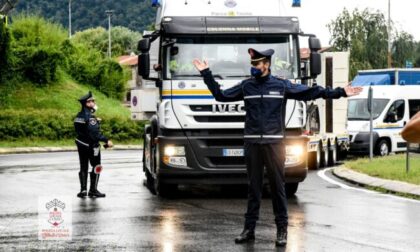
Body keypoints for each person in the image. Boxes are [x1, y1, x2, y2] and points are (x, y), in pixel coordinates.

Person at [192, 48, 363, 246]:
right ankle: (249, 230)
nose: (254, 67)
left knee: (278, 188)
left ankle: (282, 231)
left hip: (274, 144)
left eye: (257, 64)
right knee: (253, 189)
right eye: (253, 64)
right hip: (252, 144)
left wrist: (341, 92)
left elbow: (310, 92)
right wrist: (206, 73)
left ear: (267, 64)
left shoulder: (281, 86)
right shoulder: (247, 86)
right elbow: (220, 95)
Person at [74, 91, 113, 198]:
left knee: (83, 166)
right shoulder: (91, 119)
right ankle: (93, 190)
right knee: (97, 166)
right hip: (91, 146)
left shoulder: (78, 116)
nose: (94, 102)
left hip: (81, 144)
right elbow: (94, 134)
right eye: (92, 101)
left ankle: (83, 190)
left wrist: (95, 120)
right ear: (87, 103)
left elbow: (82, 129)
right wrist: (106, 141)